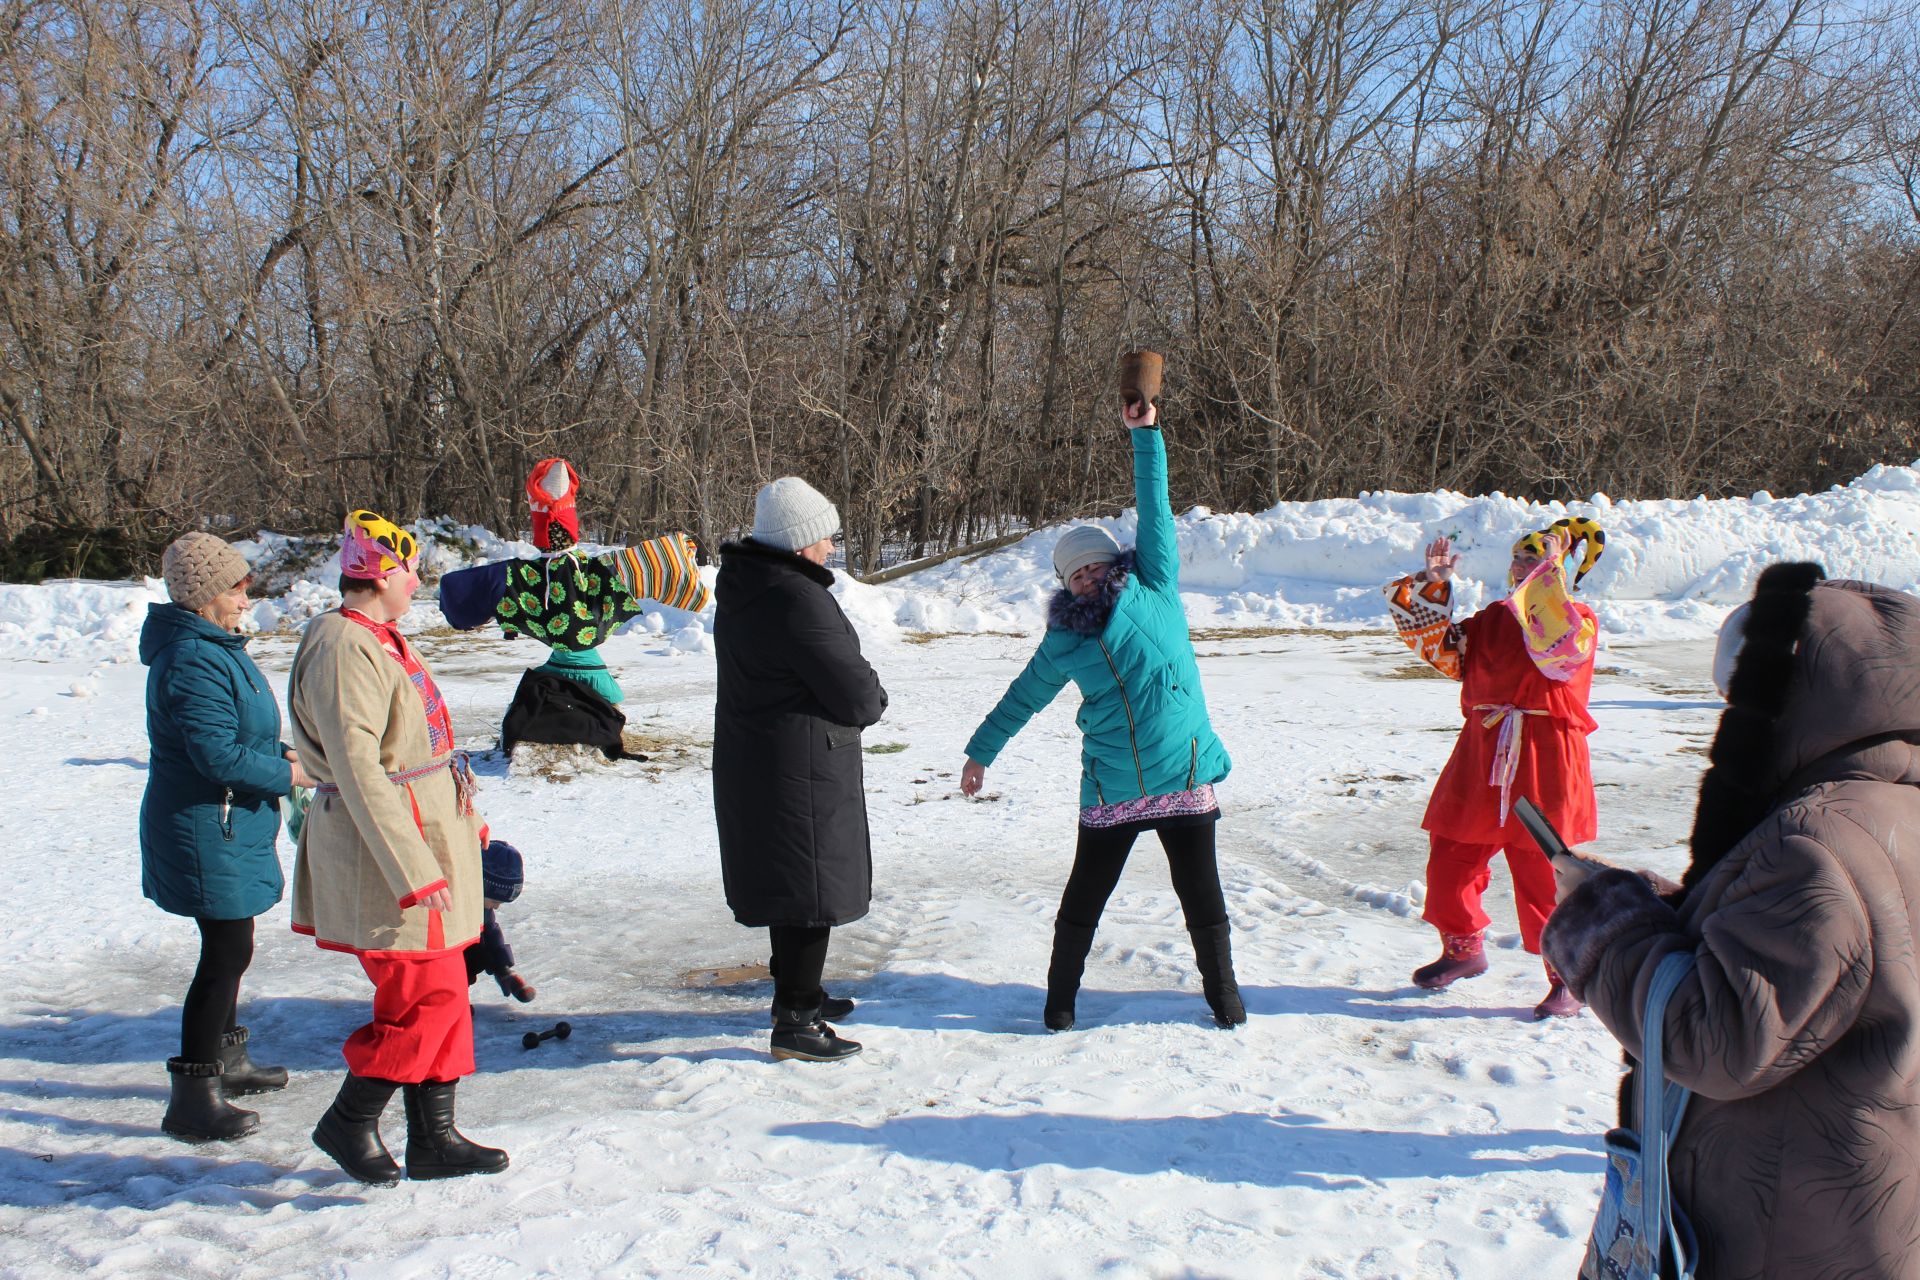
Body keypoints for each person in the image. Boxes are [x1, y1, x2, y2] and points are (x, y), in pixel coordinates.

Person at [1544, 564, 1920, 1279]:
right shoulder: (1894, 812)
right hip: (1875, 1210)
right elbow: (1824, 976)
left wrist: (1603, 926)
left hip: (1785, 1229)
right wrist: (1660, 906)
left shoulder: (1815, 842)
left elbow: (1719, 1034)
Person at [960, 397, 1240, 1031]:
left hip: (1182, 771)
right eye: (1074, 572)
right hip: (1112, 780)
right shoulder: (1065, 639)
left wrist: (1146, 435)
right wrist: (982, 751)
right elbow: (1023, 696)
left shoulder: (1156, 585)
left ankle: (1225, 999)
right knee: (1085, 896)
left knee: (1201, 896)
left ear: (1116, 561)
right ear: (1065, 583)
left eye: (1094, 563)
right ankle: (1059, 1004)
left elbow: (1155, 505)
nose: (1086, 576)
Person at [287, 511, 507, 1182]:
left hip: (427, 836)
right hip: (383, 856)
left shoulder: (379, 638)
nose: (417, 582)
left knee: (442, 987)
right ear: (382, 574)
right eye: (410, 570)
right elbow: (359, 771)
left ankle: (433, 1137)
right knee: (425, 995)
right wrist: (414, 867)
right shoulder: (342, 647)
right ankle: (349, 1121)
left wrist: (464, 827)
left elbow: (420, 751)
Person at [1383, 517, 1605, 1018]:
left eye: (1535, 559)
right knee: (1450, 858)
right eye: (1519, 558)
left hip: (1544, 757)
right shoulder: (1489, 620)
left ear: (1556, 569)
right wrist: (1433, 584)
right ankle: (1463, 949)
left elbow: (1556, 646)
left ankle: (1566, 976)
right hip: (1483, 754)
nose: (1522, 567)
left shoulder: (1577, 621)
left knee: (1543, 873)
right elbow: (1440, 651)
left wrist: (1546, 574)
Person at [141, 532, 313, 1140]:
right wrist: (288, 772)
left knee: (231, 949)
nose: (247, 597)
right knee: (224, 954)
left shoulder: (216, 647)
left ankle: (228, 1063)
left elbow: (243, 730)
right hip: (203, 825)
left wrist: (281, 750)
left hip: (228, 819)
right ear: (206, 594)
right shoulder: (191, 658)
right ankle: (192, 1099)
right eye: (238, 587)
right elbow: (215, 754)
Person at [713, 477, 887, 1062]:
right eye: (827, 537)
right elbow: (854, 692)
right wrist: (874, 696)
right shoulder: (793, 596)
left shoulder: (749, 586)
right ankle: (797, 1018)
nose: (834, 547)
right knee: (811, 886)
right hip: (800, 765)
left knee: (793, 880)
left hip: (767, 759)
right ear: (800, 540)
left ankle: (798, 987)